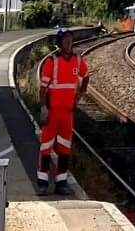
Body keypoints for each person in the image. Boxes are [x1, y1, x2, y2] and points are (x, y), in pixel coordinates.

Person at [37, 28, 90, 190]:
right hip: (53, 112)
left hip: (68, 113)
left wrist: (79, 95)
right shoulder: (51, 61)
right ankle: (42, 182)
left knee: (64, 148)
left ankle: (61, 183)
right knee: (46, 147)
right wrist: (44, 108)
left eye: (70, 39)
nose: (69, 42)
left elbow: (86, 76)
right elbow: (43, 89)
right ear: (60, 42)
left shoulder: (78, 60)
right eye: (65, 39)